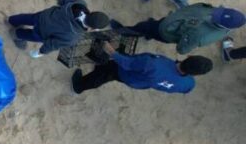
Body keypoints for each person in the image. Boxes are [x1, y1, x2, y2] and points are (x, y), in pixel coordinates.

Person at [72, 43, 210, 94]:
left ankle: (79, 86)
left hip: (126, 72)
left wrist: (111, 51)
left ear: (189, 56)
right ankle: (99, 68)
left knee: (104, 74)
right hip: (139, 82)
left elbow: (127, 64)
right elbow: (184, 89)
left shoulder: (154, 64)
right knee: (108, 71)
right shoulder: (188, 84)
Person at [114, 5, 245, 54]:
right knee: (150, 28)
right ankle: (147, 34)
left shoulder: (200, 36)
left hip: (166, 31)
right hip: (172, 22)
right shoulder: (219, 17)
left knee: (143, 27)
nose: (214, 13)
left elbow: (182, 49)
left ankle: (123, 32)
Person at [8, 0, 110, 58]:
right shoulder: (73, 37)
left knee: (28, 18)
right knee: (30, 35)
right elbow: (52, 44)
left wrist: (60, 0)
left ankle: (12, 20)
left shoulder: (80, 4)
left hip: (44, 16)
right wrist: (40, 52)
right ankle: (17, 34)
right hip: (42, 33)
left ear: (92, 12)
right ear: (94, 29)